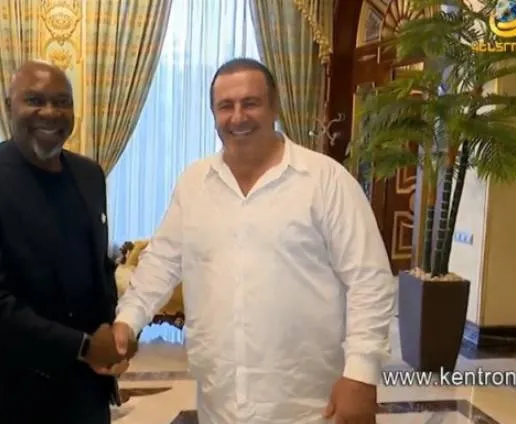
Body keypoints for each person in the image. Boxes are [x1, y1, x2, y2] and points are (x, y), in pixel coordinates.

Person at [112, 58, 396, 424]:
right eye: (225, 106)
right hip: (219, 401)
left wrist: (361, 373)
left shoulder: (326, 181)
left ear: (274, 107)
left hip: (308, 406)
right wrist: (127, 321)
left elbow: (369, 280)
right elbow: (161, 263)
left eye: (250, 103)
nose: (237, 117)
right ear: (213, 114)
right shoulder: (194, 183)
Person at [0, 59, 134, 424]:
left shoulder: (90, 176)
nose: (50, 112)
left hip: (86, 390)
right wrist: (83, 346)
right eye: (34, 100)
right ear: (9, 106)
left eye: (62, 102)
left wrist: (116, 333)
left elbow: (99, 270)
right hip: (12, 393)